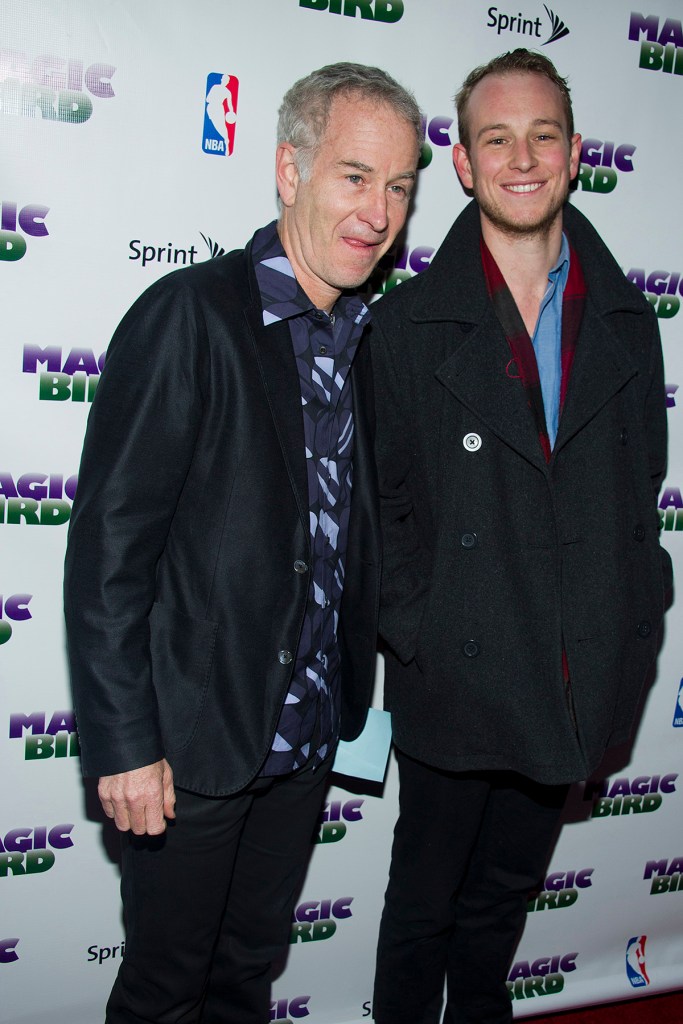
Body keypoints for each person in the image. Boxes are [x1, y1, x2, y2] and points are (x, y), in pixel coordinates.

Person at [64, 62, 421, 1024]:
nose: (377, 211)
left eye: (397, 187)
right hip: (189, 748)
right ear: (287, 168)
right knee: (164, 991)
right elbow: (107, 556)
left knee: (245, 980)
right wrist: (127, 745)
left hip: (302, 739)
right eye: (354, 176)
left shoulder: (366, 341)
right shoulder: (190, 317)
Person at [371, 48, 671, 1024]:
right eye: (495, 137)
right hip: (454, 679)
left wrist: (633, 614)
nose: (521, 157)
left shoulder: (627, 320)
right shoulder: (407, 326)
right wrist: (417, 626)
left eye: (542, 134)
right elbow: (382, 512)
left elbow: (639, 496)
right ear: (461, 162)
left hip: (569, 677)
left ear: (574, 151)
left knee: (498, 910)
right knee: (421, 915)